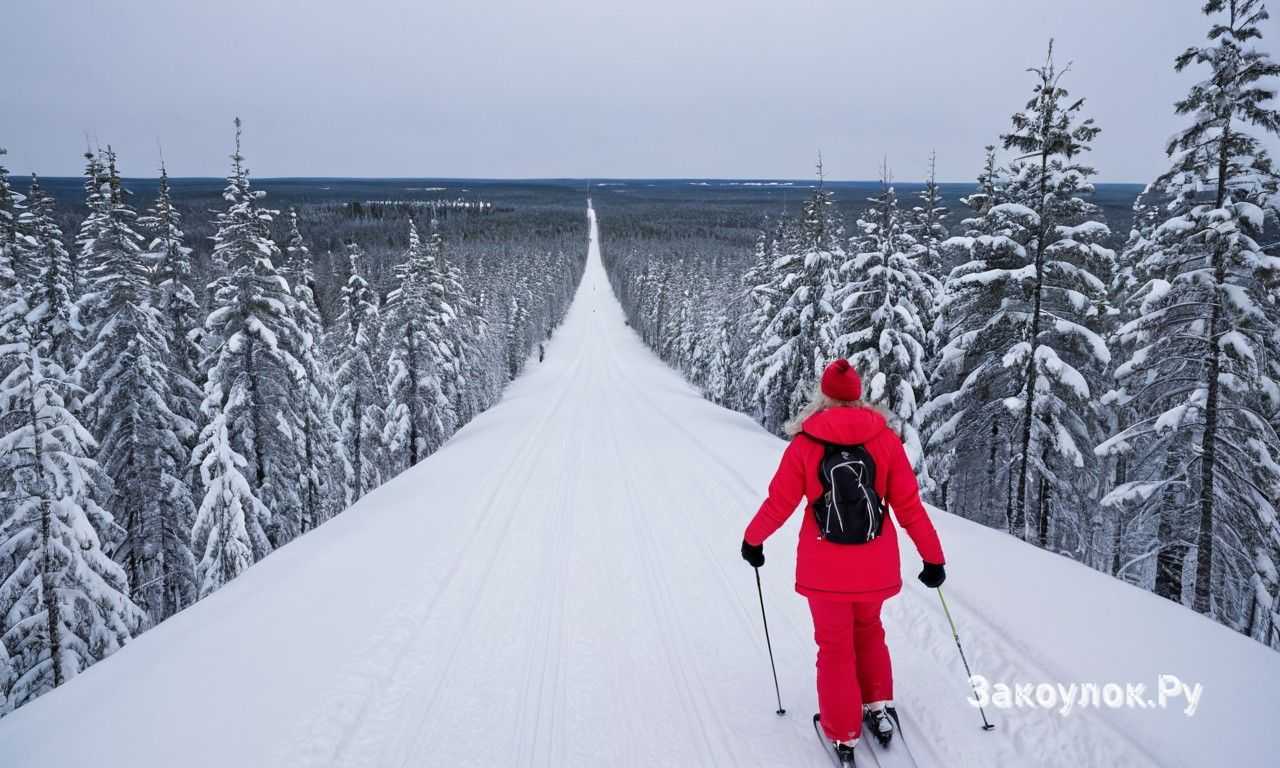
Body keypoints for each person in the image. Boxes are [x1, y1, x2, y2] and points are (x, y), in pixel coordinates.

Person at [740, 359, 946, 762]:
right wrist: (932, 558)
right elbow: (909, 507)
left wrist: (753, 540)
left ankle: (844, 733)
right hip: (875, 566)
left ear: (824, 397)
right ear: (858, 396)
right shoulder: (885, 441)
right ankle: (878, 707)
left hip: (825, 570)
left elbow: (779, 503)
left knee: (834, 647)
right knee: (869, 629)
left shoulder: (806, 443)